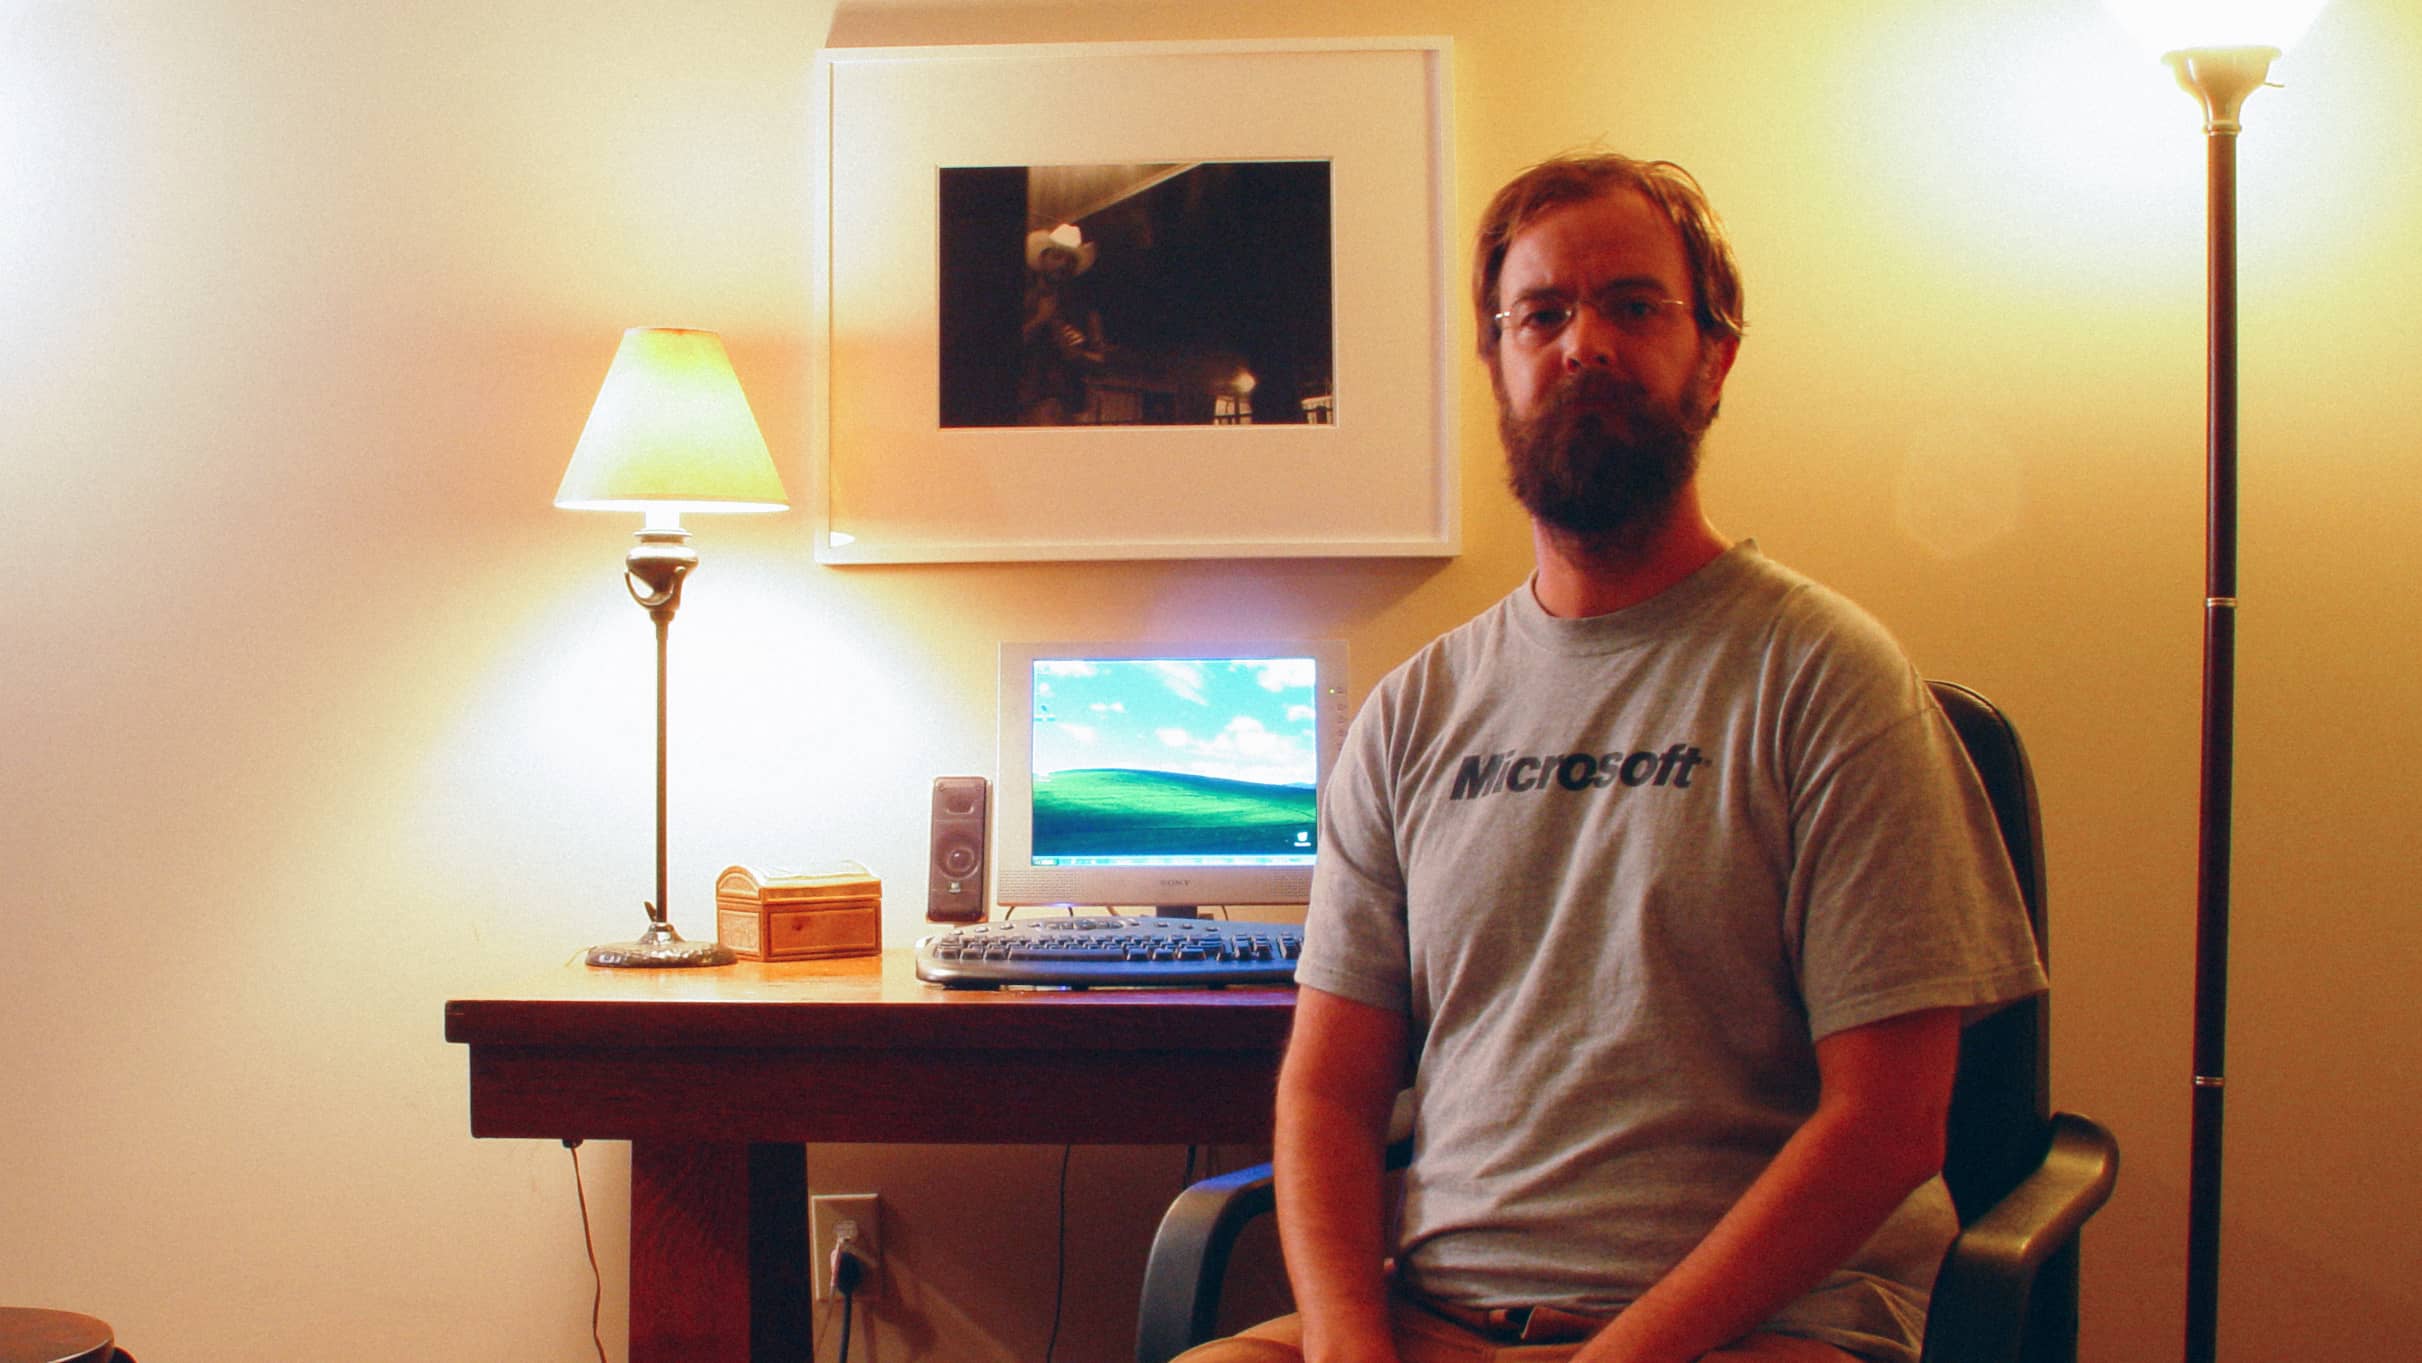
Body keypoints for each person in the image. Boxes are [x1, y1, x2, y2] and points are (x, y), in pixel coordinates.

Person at [1173, 154, 2048, 1363]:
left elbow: (1888, 1126)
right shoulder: (1412, 713)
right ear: (1498, 364)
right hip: (1434, 1320)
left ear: (1715, 356)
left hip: (1754, 1330)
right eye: (1542, 314)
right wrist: (1343, 1342)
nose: (1582, 344)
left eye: (1633, 307)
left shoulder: (1829, 678)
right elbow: (1327, 1094)